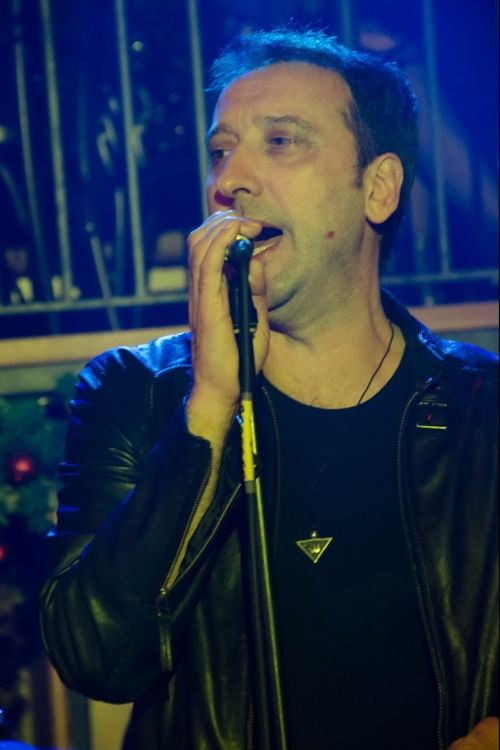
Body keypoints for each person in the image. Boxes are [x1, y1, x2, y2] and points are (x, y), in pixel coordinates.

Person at [40, 29, 498, 750]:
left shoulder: (484, 408)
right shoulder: (137, 392)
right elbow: (95, 658)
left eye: (281, 142)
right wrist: (210, 405)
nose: (231, 180)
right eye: (220, 151)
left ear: (377, 188)